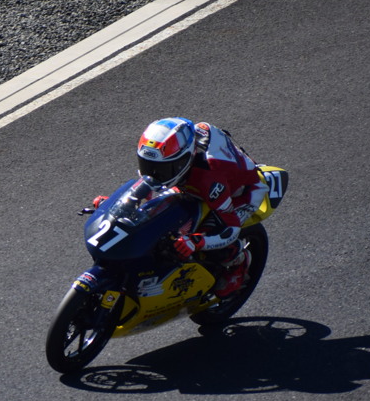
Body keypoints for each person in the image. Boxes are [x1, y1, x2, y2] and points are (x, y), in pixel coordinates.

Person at [95, 117, 270, 297]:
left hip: (241, 193)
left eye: (160, 169)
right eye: (147, 165)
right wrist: (117, 204)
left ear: (183, 160)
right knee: (155, 214)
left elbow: (231, 227)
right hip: (194, 179)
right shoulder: (173, 158)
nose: (153, 173)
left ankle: (237, 262)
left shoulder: (209, 181)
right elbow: (148, 184)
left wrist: (197, 241)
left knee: (209, 231)